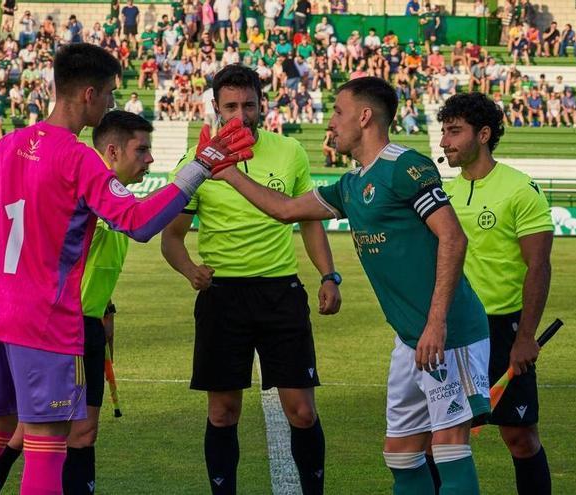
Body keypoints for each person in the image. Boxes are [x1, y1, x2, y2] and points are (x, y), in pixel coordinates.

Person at [0, 43, 254, 495]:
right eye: (110, 93)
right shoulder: (79, 158)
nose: (112, 102)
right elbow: (141, 222)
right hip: (47, 325)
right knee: (47, 450)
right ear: (88, 93)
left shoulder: (5, 146)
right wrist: (201, 167)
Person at [215, 76, 491, 494]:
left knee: (450, 447)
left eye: (338, 112)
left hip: (448, 334)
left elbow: (453, 237)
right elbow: (287, 209)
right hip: (409, 340)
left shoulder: (405, 166)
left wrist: (436, 323)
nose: (330, 123)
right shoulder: (352, 183)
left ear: (365, 117)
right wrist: (228, 172)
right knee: (400, 454)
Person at [161, 64, 340, 495]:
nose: (239, 114)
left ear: (262, 106)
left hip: (281, 292)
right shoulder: (195, 163)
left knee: (302, 412)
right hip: (223, 297)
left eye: (248, 105)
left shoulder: (289, 151)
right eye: (230, 106)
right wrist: (190, 270)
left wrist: (328, 275)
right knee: (223, 412)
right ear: (216, 108)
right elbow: (172, 237)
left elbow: (310, 221)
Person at [0, 111, 157, 495]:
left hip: (89, 325)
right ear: (112, 151)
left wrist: (105, 307)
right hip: (65, 328)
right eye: (141, 150)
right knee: (62, 432)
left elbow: (85, 264)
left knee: (73, 431)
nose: (149, 159)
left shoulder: (112, 196)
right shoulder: (89, 190)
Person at [438, 92, 553, 495]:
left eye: (454, 132)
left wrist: (525, 338)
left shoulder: (521, 189)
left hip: (503, 329)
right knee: (444, 439)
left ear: (483, 134)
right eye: (444, 132)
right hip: (452, 331)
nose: (444, 142)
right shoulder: (442, 194)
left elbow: (538, 266)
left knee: (519, 438)